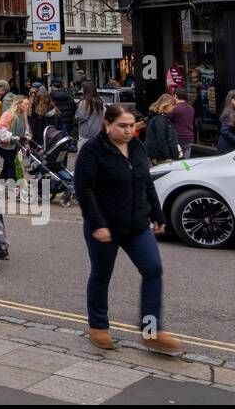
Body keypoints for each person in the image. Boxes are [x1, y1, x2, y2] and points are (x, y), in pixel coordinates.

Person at [74, 104, 182, 355]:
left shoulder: (137, 147)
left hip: (136, 225)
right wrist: (98, 224)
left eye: (132, 126)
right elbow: (85, 191)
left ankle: (151, 332)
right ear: (107, 125)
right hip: (105, 227)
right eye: (122, 126)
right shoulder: (92, 151)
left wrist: (157, 213)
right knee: (101, 275)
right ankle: (98, 326)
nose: (128, 130)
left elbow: (146, 181)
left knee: (153, 269)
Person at [0, 95, 30, 182]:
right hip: (4, 145)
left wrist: (26, 135)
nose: (28, 106)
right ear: (18, 104)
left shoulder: (22, 116)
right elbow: (0, 130)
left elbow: (24, 128)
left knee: (7, 166)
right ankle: (13, 187)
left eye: (28, 104)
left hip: (14, 146)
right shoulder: (8, 114)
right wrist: (11, 136)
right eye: (26, 104)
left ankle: (2, 185)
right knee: (11, 166)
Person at [143, 93, 180, 164]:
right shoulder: (160, 118)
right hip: (161, 157)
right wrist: (167, 156)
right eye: (172, 105)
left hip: (159, 155)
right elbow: (161, 138)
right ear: (165, 105)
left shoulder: (159, 117)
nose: (174, 107)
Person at [75, 81, 106, 146]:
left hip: (86, 134)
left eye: (82, 88)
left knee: (83, 155)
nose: (81, 90)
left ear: (85, 90)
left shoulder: (85, 103)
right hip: (98, 134)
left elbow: (80, 117)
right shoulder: (100, 102)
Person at [168, 89, 196, 154]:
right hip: (189, 137)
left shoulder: (174, 108)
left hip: (178, 137)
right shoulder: (191, 107)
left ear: (175, 96)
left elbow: (168, 120)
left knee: (177, 160)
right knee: (186, 160)